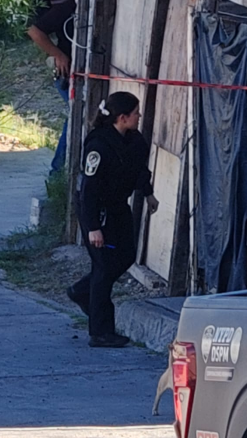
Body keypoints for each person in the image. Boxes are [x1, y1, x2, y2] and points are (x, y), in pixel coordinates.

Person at [67, 92, 159, 348]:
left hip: (118, 207)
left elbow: (139, 169)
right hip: (97, 211)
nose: (139, 116)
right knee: (104, 268)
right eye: (136, 113)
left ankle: (81, 291)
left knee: (126, 255)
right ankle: (101, 331)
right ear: (122, 117)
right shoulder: (98, 145)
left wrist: (148, 193)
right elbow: (89, 191)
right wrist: (93, 228)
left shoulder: (134, 140)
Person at [27, 0, 77, 175]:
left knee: (76, 117)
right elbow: (34, 31)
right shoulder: (69, 7)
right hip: (67, 73)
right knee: (75, 116)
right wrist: (58, 54)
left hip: (80, 73)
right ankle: (58, 171)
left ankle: (61, 171)